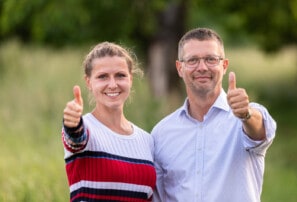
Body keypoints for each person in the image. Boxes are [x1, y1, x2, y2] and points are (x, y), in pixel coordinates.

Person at [151, 28, 277, 202]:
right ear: (180, 68)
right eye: (193, 60)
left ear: (224, 65)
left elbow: (259, 131)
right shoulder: (161, 133)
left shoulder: (243, 119)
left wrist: (246, 114)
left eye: (211, 59)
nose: (202, 67)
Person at [61, 41, 156, 202]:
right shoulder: (86, 129)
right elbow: (75, 138)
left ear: (130, 79)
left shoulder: (147, 140)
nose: (112, 84)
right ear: (89, 82)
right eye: (102, 77)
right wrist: (72, 123)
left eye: (120, 75)